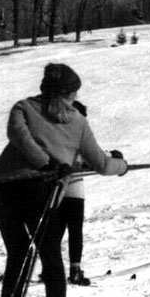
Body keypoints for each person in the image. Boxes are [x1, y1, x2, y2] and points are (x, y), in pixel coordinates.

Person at [0, 63, 128, 297]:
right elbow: (101, 163)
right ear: (72, 92)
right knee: (51, 258)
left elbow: (17, 134)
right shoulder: (77, 121)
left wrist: (43, 161)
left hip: (2, 188)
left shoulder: (24, 107)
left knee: (18, 253)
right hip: (39, 189)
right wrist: (122, 166)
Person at [60, 100, 91, 286]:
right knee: (74, 231)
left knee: (56, 232)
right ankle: (74, 270)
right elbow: (92, 158)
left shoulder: (57, 134)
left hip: (57, 190)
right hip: (72, 189)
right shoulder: (78, 136)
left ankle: (52, 269)